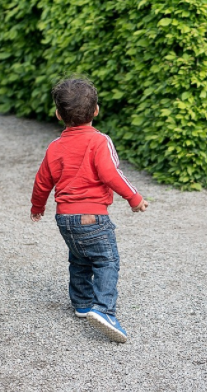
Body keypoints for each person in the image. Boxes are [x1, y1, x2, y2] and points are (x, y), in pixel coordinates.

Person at [30, 78, 148, 343]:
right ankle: (104, 309)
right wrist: (134, 197)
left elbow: (42, 181)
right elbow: (111, 174)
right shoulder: (99, 141)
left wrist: (37, 206)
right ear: (96, 110)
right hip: (93, 216)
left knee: (79, 258)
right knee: (107, 261)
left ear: (59, 114)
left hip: (65, 217)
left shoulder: (54, 147)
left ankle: (82, 304)